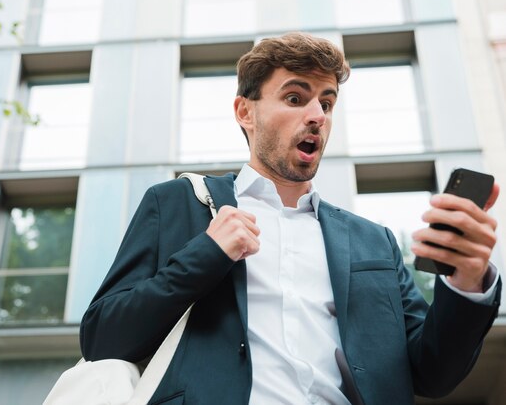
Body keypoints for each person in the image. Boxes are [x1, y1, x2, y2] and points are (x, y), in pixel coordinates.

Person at [79, 32, 501, 405]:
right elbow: (103, 339)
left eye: (327, 102)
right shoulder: (179, 203)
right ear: (245, 112)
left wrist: (466, 284)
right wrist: (204, 254)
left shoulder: (374, 241)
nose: (317, 114)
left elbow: (434, 373)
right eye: (295, 98)